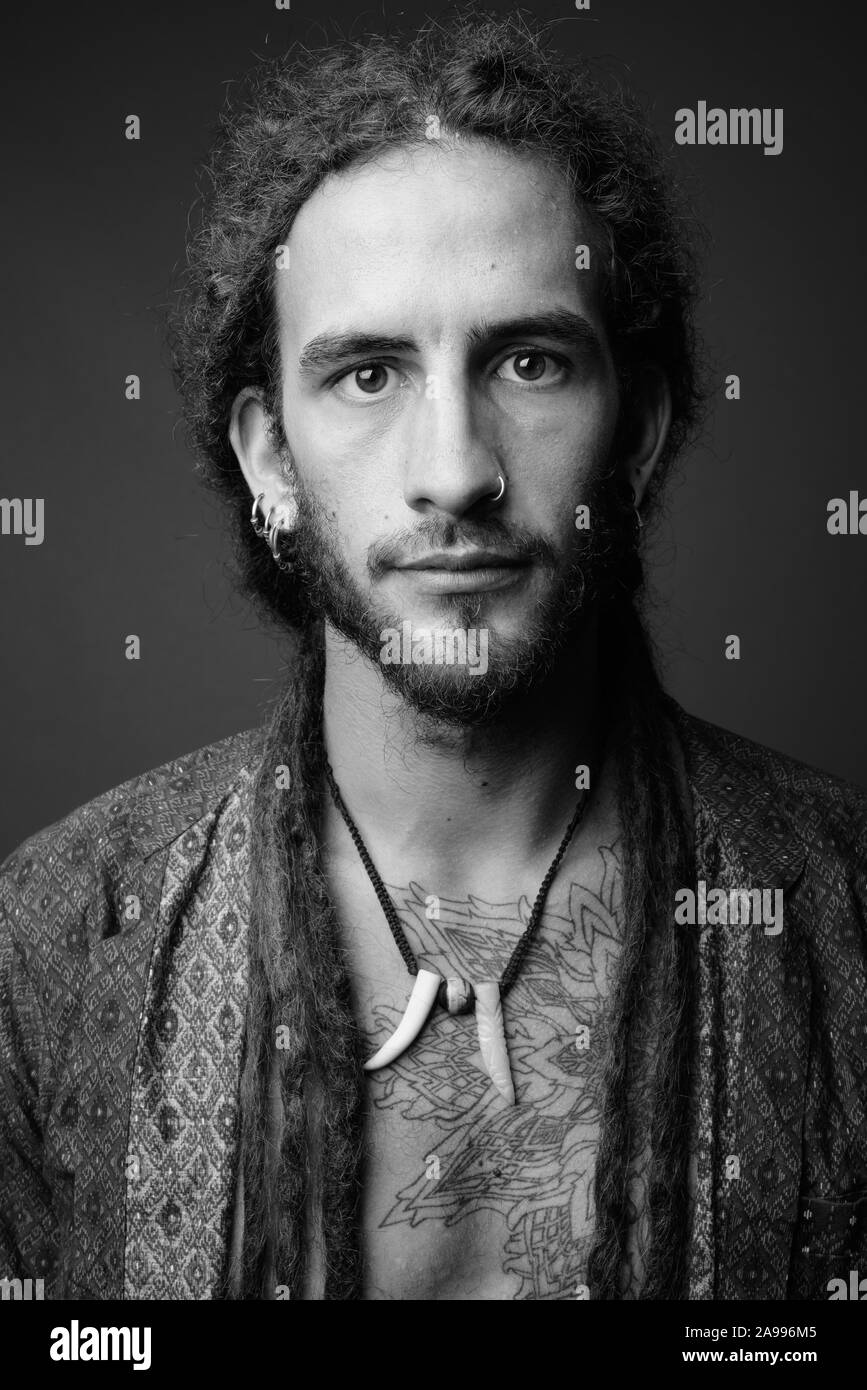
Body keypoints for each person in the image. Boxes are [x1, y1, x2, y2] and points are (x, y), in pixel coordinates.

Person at [2, 12, 865, 1303]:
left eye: (530, 360)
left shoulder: (845, 928)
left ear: (637, 432)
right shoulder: (51, 947)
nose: (455, 468)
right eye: (366, 374)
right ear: (268, 457)